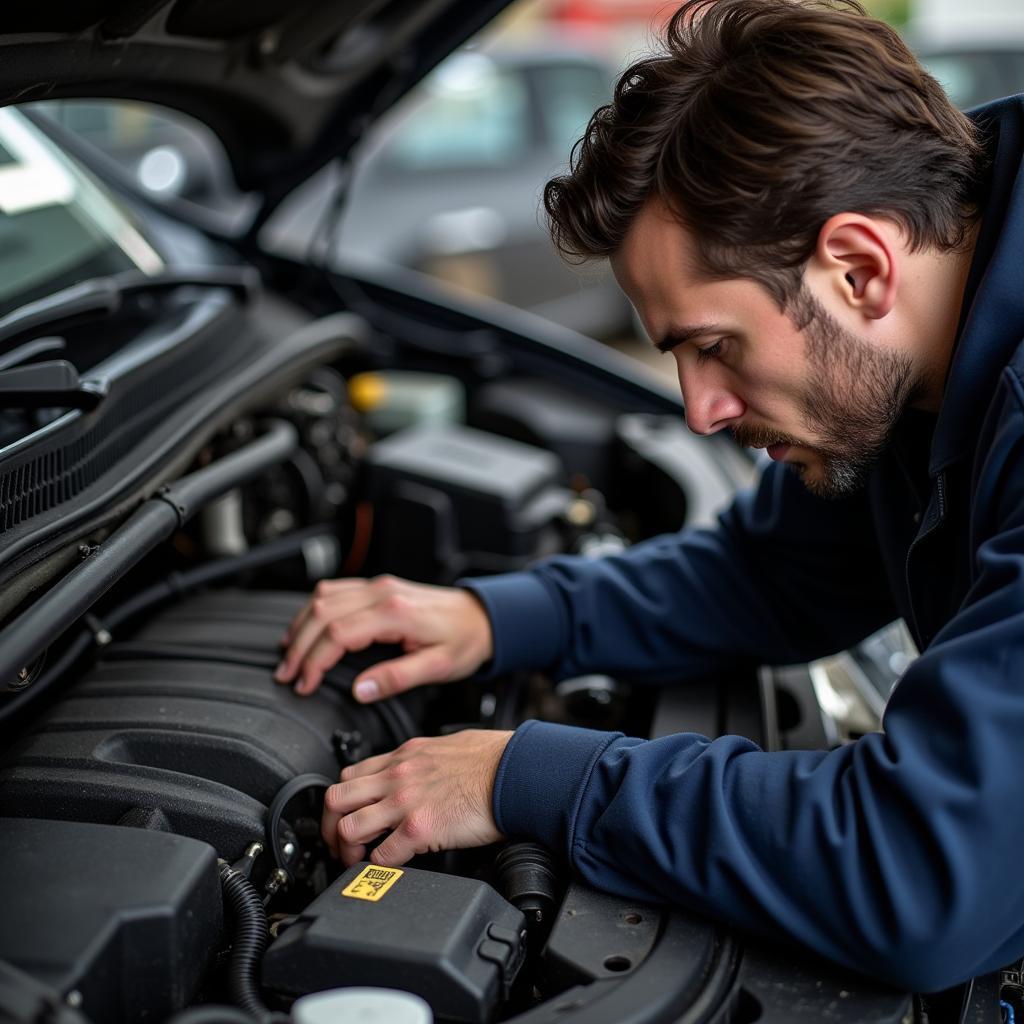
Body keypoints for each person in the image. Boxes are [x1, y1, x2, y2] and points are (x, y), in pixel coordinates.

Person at [274, 0, 1024, 991]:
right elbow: (773, 575)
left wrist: (523, 775)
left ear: (857, 267)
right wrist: (496, 619)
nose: (702, 411)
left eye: (714, 347)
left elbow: (925, 874)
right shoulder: (905, 362)